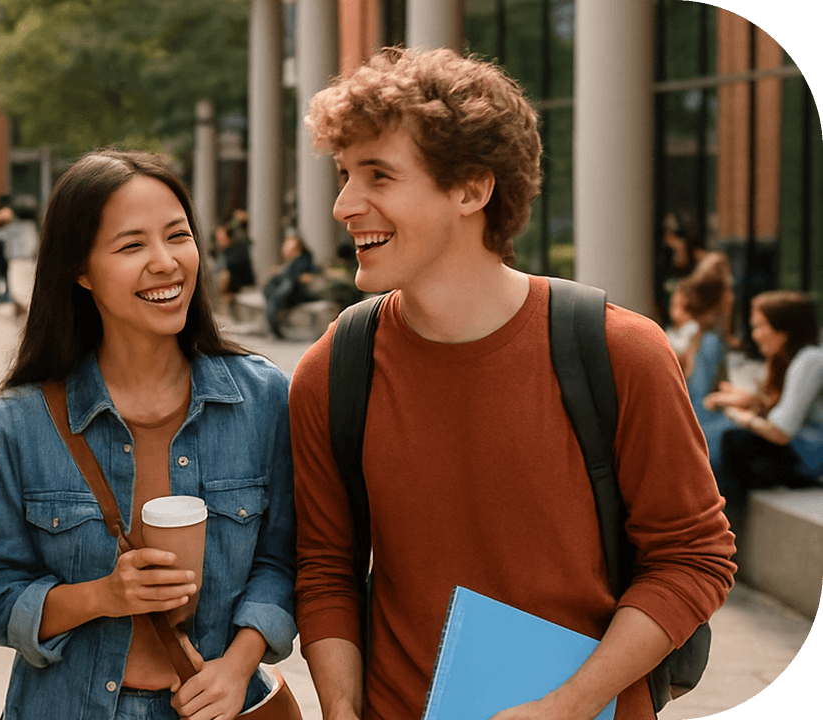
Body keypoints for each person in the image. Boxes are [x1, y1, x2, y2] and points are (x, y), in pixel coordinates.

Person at [290, 48, 735, 720]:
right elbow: (326, 568)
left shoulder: (620, 352)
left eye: (378, 175)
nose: (344, 205)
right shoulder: (334, 369)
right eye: (345, 174)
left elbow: (693, 558)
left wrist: (569, 704)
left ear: (472, 190)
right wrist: (343, 709)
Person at [0, 150, 297, 720]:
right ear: (80, 270)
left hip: (217, 707)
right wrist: (103, 595)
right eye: (131, 246)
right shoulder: (20, 421)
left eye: (178, 236)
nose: (165, 263)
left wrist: (236, 667)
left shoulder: (261, 398)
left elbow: (282, 561)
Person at [706, 291, 823, 530]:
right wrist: (746, 401)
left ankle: (718, 529)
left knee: (725, 439)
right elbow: (776, 406)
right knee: (712, 434)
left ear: (784, 329)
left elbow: (781, 431)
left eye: (760, 326)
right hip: (796, 454)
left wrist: (740, 415)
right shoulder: (787, 359)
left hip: (808, 460)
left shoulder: (810, 359)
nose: (755, 335)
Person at [670, 273, 735, 470]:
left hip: (701, 426)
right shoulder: (702, 339)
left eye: (680, 305)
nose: (675, 312)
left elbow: (700, 394)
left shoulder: (706, 341)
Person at [261, 233, 315, 339]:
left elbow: (303, 277)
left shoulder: (303, 261)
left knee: (277, 295)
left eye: (288, 247)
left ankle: (273, 324)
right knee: (274, 295)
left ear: (297, 248)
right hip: (285, 294)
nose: (285, 249)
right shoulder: (293, 262)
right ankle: (273, 324)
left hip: (295, 294)